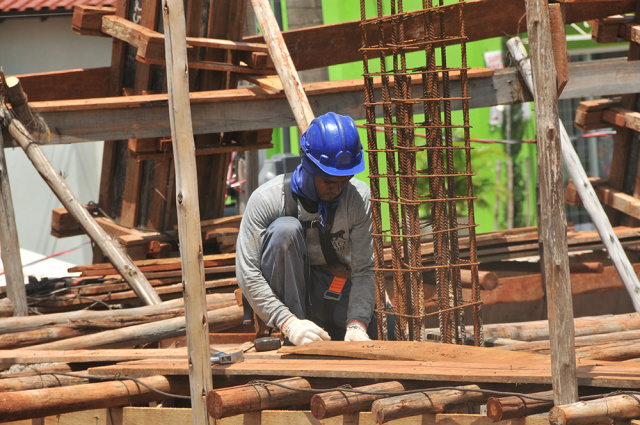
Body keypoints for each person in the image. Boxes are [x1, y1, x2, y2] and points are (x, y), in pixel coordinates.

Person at [236, 112, 377, 346]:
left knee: (388, 331)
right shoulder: (267, 199)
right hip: (285, 298)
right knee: (285, 230)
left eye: (345, 180)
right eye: (329, 182)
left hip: (331, 289)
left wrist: (357, 324)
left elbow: (364, 270)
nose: (338, 189)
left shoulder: (359, 199)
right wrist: (289, 323)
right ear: (309, 168)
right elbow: (247, 273)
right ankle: (295, 332)